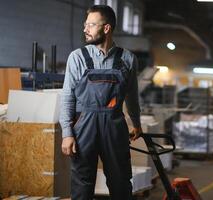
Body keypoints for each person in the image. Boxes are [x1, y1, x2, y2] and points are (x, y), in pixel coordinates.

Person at [59, 5, 142, 200]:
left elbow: (132, 96)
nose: (85, 29)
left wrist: (136, 124)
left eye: (91, 25)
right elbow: (67, 97)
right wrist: (67, 133)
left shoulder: (128, 59)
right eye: (85, 25)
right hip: (84, 128)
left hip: (114, 127)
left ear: (106, 28)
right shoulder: (77, 57)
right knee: (82, 183)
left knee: (120, 182)